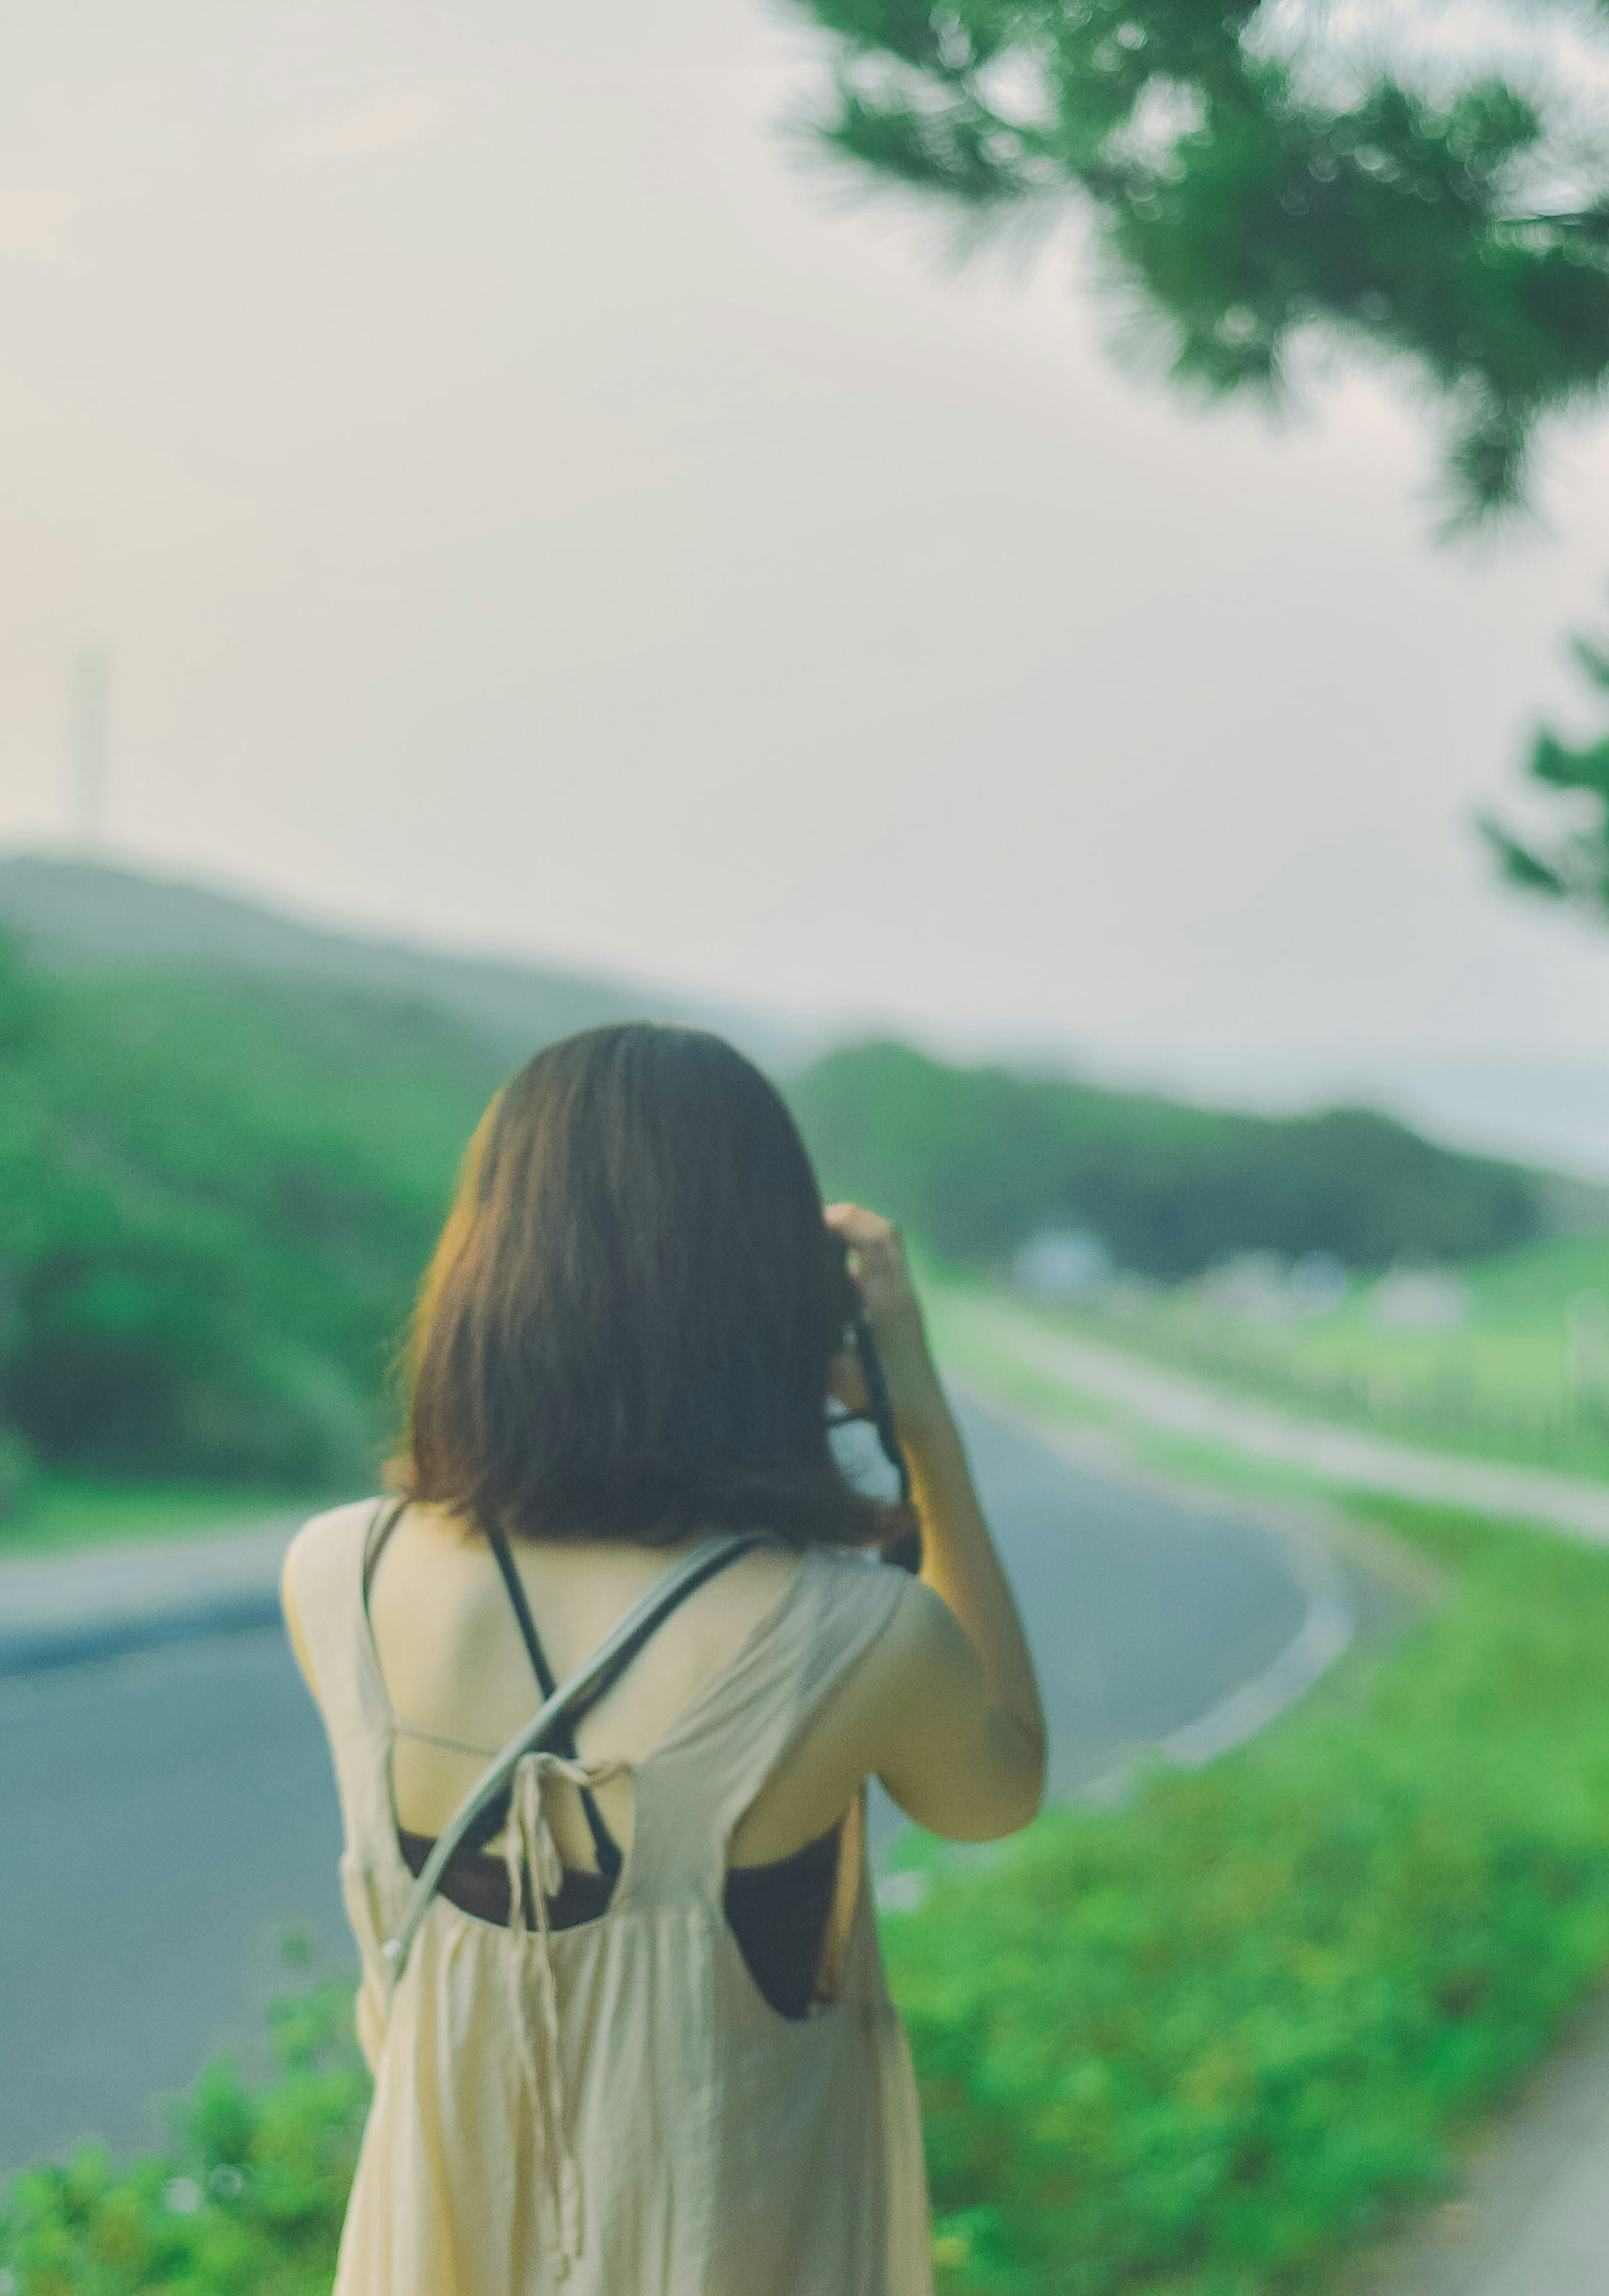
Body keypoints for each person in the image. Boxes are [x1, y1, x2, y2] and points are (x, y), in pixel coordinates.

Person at [281, 1023, 1045, 2296]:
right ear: (783, 1296)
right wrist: (926, 1429)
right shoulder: (850, 1633)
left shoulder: (339, 1576)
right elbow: (1002, 1785)